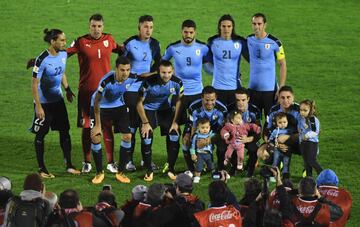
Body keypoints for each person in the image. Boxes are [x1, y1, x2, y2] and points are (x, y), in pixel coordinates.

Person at [67, 13, 122, 173]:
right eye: (93, 26)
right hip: (87, 93)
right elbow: (63, 54)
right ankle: (87, 161)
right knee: (87, 127)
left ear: (102, 27)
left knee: (107, 126)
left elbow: (122, 50)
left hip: (107, 93)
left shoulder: (109, 40)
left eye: (99, 26)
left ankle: (111, 162)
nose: (96, 29)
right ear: (89, 26)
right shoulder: (81, 41)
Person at [30, 28, 79, 178]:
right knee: (41, 134)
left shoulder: (63, 54)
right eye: (62, 40)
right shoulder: (42, 59)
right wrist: (38, 106)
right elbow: (34, 84)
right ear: (53, 41)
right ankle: (42, 169)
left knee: (65, 131)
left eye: (65, 40)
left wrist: (68, 89)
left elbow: (61, 72)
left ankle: (69, 165)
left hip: (58, 100)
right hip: (43, 104)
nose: (65, 43)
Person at [122, 15, 161, 172]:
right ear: (139, 28)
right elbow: (121, 66)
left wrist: (151, 76)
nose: (148, 30)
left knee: (147, 127)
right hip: (131, 89)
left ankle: (146, 161)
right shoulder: (130, 43)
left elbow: (158, 66)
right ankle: (128, 161)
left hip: (147, 90)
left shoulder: (155, 44)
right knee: (131, 127)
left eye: (151, 27)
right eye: (145, 27)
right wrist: (137, 76)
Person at [89, 56, 137, 184]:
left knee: (127, 136)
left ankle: (120, 172)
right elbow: (97, 100)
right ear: (116, 69)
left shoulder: (132, 77)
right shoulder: (106, 81)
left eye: (127, 70)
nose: (125, 73)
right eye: (122, 70)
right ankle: (99, 173)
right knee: (96, 136)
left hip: (118, 106)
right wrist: (98, 125)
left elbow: (143, 76)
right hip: (100, 107)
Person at [136, 60, 183, 181]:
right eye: (163, 72)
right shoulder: (148, 82)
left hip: (165, 109)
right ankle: (149, 170)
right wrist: (145, 123)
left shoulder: (177, 82)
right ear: (158, 72)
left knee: (174, 135)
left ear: (173, 71)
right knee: (146, 137)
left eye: (169, 72)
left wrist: (175, 122)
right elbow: (138, 103)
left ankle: (170, 168)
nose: (166, 75)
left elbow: (179, 101)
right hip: (148, 110)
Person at [247, 13, 287, 119]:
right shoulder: (248, 40)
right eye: (254, 24)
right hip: (253, 90)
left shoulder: (275, 42)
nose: (256, 26)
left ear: (265, 25)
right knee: (253, 123)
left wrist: (281, 88)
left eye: (259, 24)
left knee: (272, 122)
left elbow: (283, 64)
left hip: (270, 91)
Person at [205, 14, 249, 107]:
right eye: (223, 26)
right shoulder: (212, 42)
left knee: (235, 118)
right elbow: (206, 61)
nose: (226, 29)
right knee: (219, 118)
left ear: (232, 27)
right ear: (219, 27)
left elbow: (251, 59)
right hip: (217, 87)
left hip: (235, 87)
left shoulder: (240, 42)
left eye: (229, 26)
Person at [257, 86, 300, 169]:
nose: (285, 100)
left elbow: (304, 133)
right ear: (279, 99)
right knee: (261, 153)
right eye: (282, 98)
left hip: (295, 140)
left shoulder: (299, 110)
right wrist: (276, 143)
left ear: (293, 97)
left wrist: (288, 138)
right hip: (277, 140)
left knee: (311, 148)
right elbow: (266, 131)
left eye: (288, 97)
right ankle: (273, 169)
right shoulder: (274, 110)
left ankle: (308, 170)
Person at [186, 86, 227, 171]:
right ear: (202, 98)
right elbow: (193, 126)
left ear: (216, 98)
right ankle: (192, 169)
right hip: (199, 131)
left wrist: (209, 139)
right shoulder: (193, 107)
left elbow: (222, 129)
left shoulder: (222, 109)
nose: (210, 103)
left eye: (212, 100)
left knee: (222, 147)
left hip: (216, 132)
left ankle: (220, 168)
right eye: (207, 100)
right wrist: (192, 139)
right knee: (186, 143)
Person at [227, 88, 262, 177]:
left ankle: (250, 171)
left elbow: (259, 130)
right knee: (229, 146)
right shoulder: (229, 109)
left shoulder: (254, 110)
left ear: (248, 99)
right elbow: (226, 127)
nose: (240, 103)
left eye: (243, 100)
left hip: (249, 136)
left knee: (253, 149)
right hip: (234, 135)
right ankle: (234, 167)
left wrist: (249, 139)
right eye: (238, 100)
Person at [298, 99, 323, 177]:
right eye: (301, 110)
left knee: (311, 160)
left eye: (305, 110)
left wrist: (307, 136)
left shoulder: (312, 119)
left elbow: (315, 131)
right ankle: (309, 179)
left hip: (311, 143)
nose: (302, 112)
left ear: (310, 110)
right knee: (306, 163)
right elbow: (300, 127)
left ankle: (322, 174)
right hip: (303, 143)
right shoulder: (300, 117)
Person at [268, 112, 293, 179]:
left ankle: (285, 177)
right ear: (276, 123)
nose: (283, 124)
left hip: (287, 150)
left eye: (284, 122)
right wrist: (272, 144)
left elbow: (292, 140)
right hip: (277, 150)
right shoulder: (275, 131)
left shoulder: (289, 131)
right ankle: (273, 175)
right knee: (275, 161)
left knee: (286, 163)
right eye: (280, 122)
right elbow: (270, 139)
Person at [190, 118, 215, 183]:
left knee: (211, 166)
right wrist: (193, 154)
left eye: (207, 127)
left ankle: (215, 175)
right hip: (200, 154)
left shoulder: (211, 135)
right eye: (202, 128)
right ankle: (197, 177)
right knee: (199, 166)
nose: (205, 129)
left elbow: (215, 137)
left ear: (209, 127)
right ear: (198, 127)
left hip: (208, 154)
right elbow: (192, 146)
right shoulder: (196, 136)